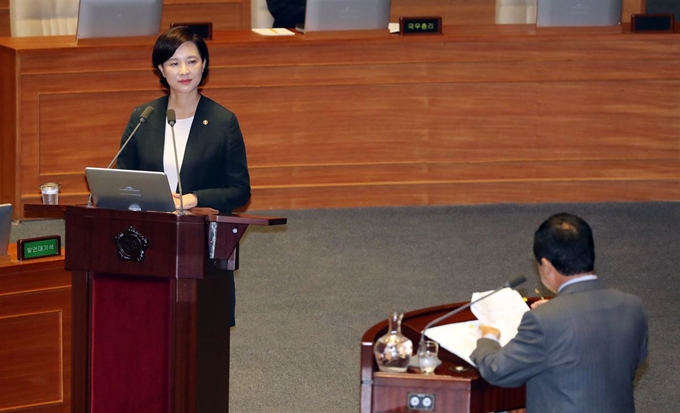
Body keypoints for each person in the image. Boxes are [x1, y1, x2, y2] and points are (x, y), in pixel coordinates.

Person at [116, 26, 251, 325]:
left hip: (200, 242)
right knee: (148, 325)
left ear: (204, 64)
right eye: (174, 63)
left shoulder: (222, 121)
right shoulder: (144, 117)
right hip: (148, 240)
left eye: (192, 61)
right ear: (161, 70)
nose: (184, 70)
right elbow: (122, 179)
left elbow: (240, 191)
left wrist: (194, 199)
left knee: (199, 332)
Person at [470, 213, 648, 413]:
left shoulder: (544, 320)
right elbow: (633, 358)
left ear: (546, 265)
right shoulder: (633, 306)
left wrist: (488, 337)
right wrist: (559, 308)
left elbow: (498, 371)